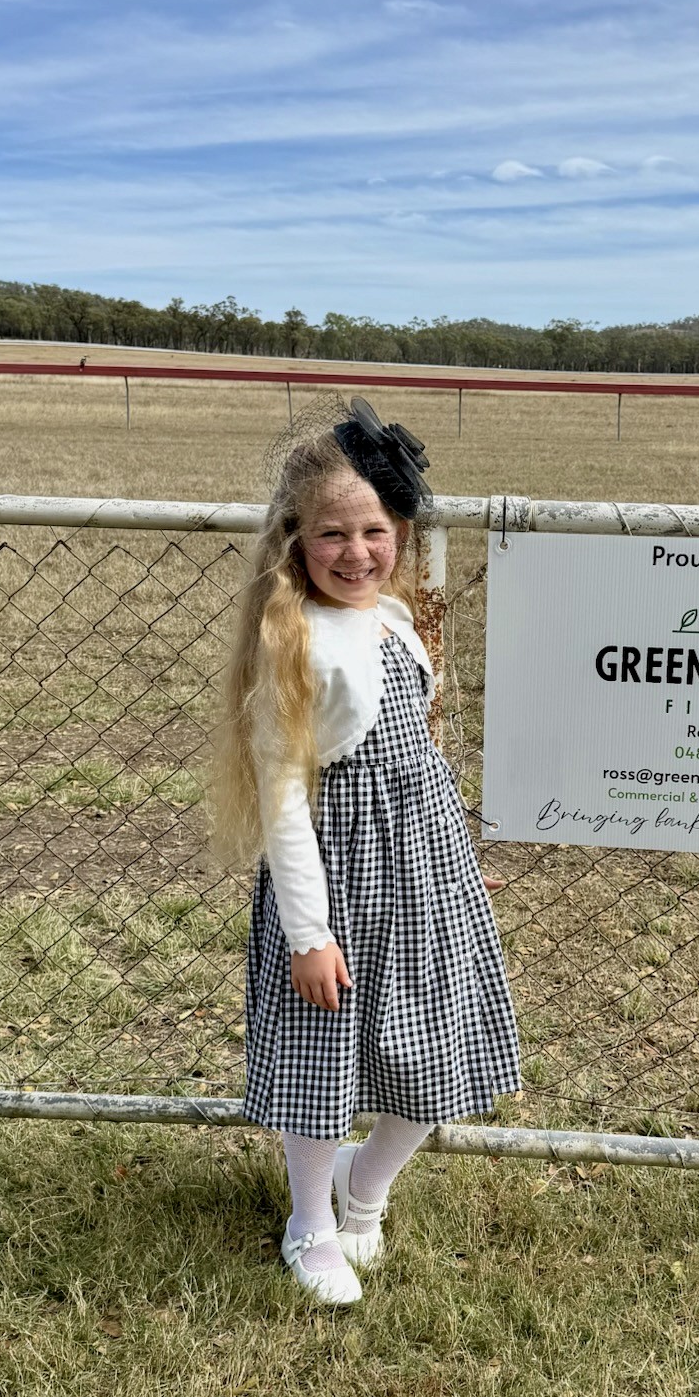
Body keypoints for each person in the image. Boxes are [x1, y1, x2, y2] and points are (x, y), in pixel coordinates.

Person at [212, 400, 521, 1305]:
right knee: (325, 1049)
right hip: (336, 875)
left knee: (438, 1043)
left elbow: (414, 762)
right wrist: (310, 933)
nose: (356, 553)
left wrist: (454, 853)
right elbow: (284, 797)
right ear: (293, 542)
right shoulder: (293, 639)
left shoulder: (393, 617)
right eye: (332, 535)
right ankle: (310, 1222)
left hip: (422, 869)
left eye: (375, 530)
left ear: (401, 530)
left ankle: (366, 1188)